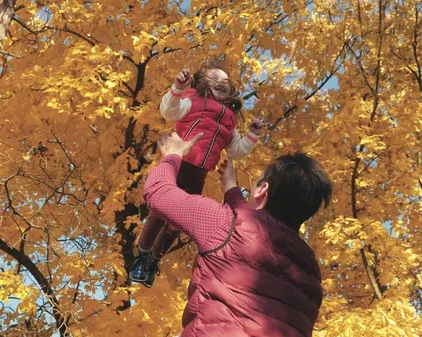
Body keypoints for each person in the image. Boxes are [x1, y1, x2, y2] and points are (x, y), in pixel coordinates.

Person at [143, 132, 332, 337]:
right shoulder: (311, 271)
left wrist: (173, 155)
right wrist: (231, 190)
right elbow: (253, 239)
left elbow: (158, 192)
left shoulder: (223, 224)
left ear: (262, 190)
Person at [129, 61, 265, 287]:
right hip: (178, 163)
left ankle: (154, 259)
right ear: (203, 83)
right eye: (215, 79)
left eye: (226, 82)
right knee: (159, 212)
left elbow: (237, 151)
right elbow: (169, 111)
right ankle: (142, 256)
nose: (222, 83)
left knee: (177, 223)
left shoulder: (229, 120)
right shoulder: (192, 101)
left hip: (199, 175)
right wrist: (178, 88)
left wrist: (252, 134)